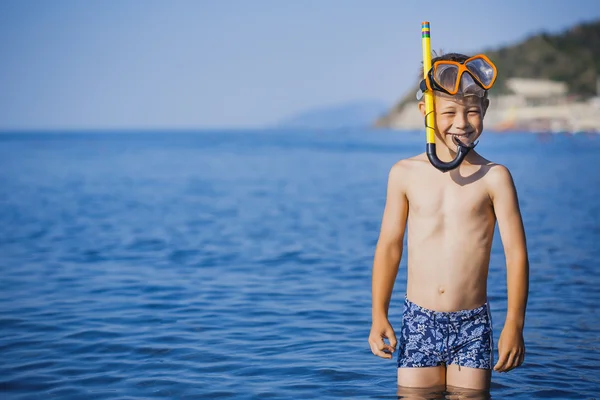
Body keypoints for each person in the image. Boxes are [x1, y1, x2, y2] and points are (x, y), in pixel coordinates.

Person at [368, 52, 529, 393]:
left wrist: (514, 323)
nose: (462, 122)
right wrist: (378, 313)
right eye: (450, 112)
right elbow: (389, 246)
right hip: (419, 319)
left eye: (472, 110)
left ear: (484, 110)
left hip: (471, 323)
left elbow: (516, 255)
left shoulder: (494, 177)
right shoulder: (404, 174)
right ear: (426, 112)